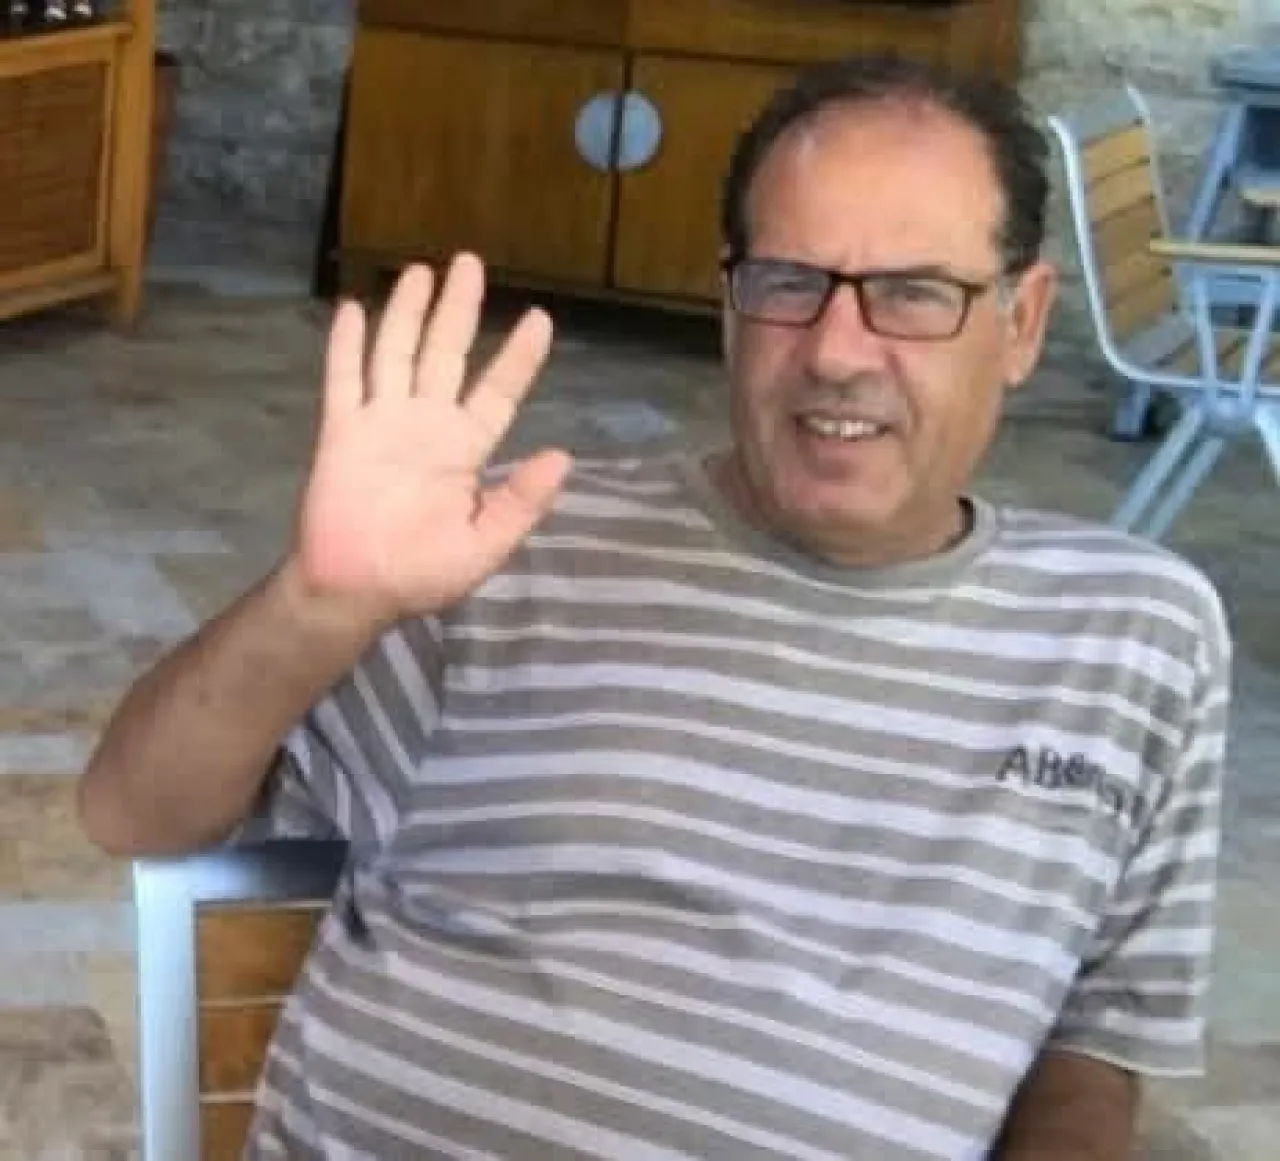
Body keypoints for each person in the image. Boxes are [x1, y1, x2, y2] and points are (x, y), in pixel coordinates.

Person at [79, 54, 1231, 1160]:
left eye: (912, 294)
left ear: (1020, 322)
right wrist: (319, 600)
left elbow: (1099, 1035)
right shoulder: (505, 549)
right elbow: (133, 809)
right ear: (729, 303)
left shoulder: (1133, 636)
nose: (836, 351)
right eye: (787, 283)